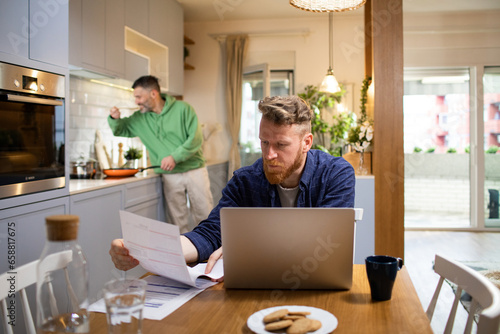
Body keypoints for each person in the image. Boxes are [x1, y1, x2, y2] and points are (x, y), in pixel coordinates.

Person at [109, 95, 355, 277]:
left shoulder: (336, 174)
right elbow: (210, 233)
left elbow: (327, 245)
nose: (269, 155)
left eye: (281, 145)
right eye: (264, 142)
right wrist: (148, 249)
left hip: (314, 285)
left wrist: (249, 250)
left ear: (306, 142)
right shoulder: (245, 180)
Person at [108, 75, 213, 234]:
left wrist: (174, 157)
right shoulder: (139, 118)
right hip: (169, 175)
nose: (136, 101)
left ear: (153, 94)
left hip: (194, 170)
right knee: (177, 221)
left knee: (204, 216)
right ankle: (185, 258)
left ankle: (210, 255)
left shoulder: (183, 109)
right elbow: (120, 129)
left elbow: (196, 139)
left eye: (139, 96)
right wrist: (114, 118)